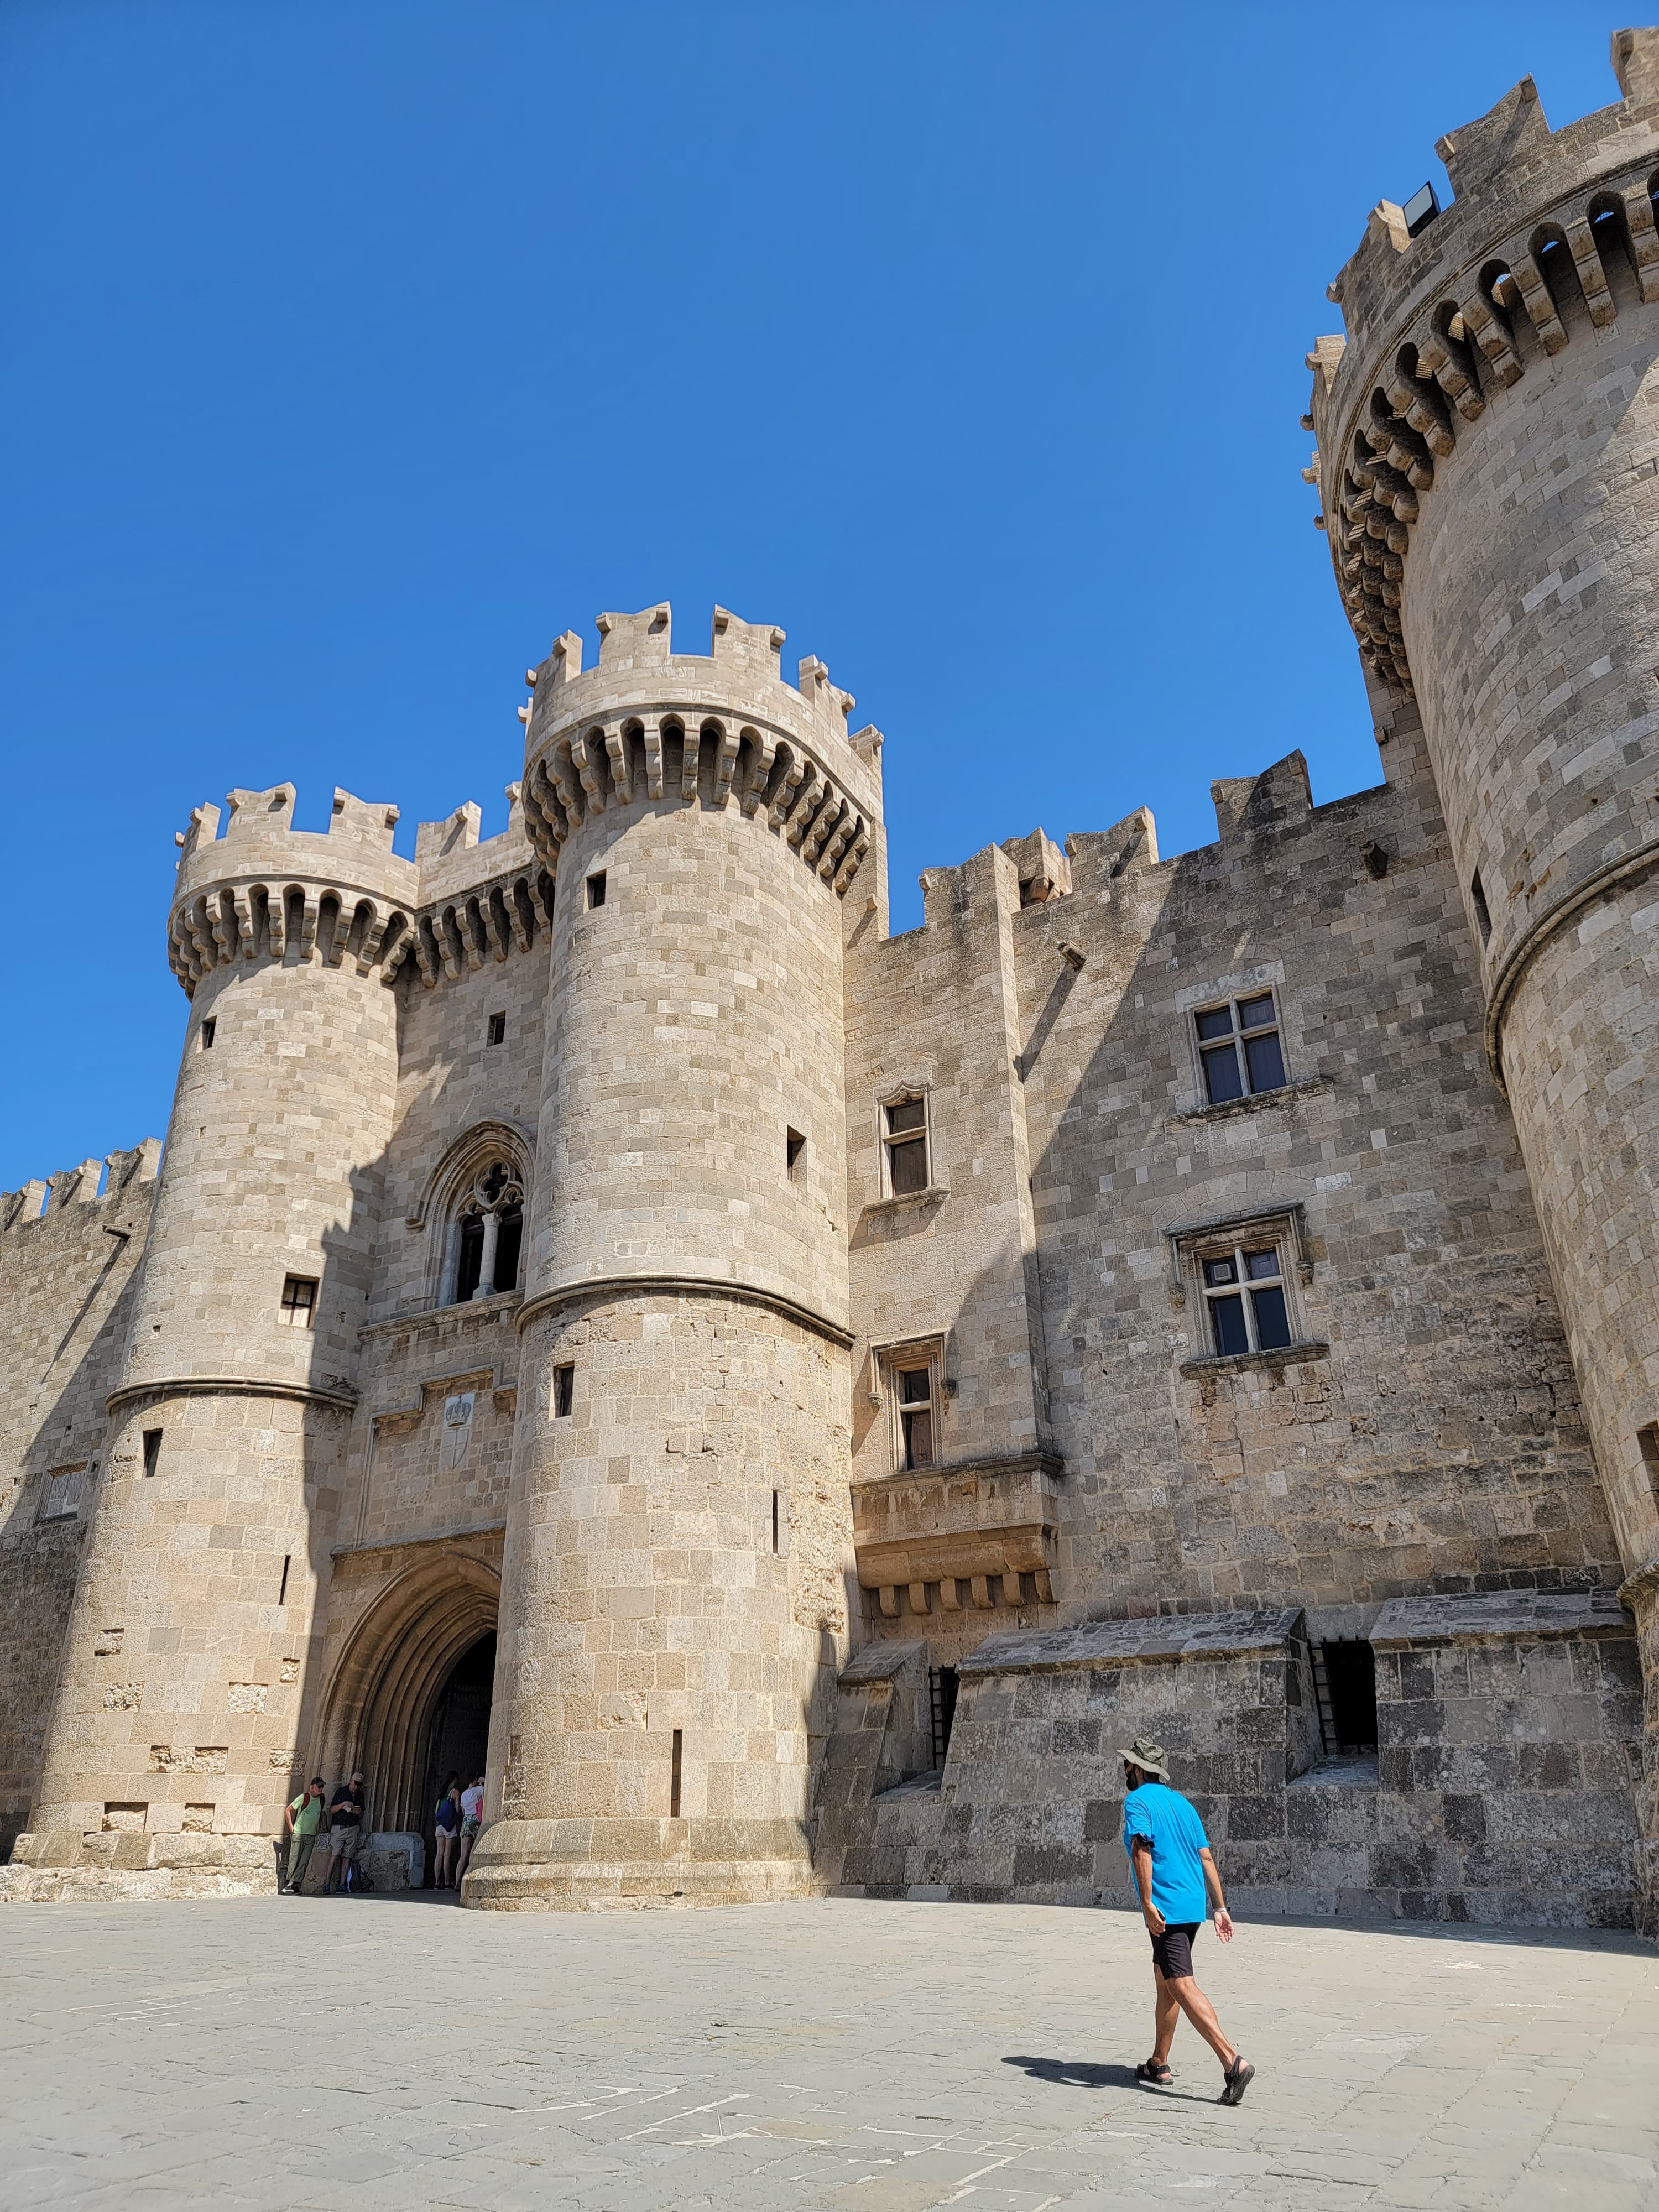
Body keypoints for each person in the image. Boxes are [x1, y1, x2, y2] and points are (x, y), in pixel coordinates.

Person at [1118, 1733, 1254, 2105]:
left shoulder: (1137, 1801)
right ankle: (1159, 2062)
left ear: (1137, 1769)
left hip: (1166, 1908)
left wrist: (1147, 1902)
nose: (1124, 1769)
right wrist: (1220, 1908)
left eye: (1127, 1763)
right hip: (1192, 1907)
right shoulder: (1183, 1805)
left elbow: (1141, 1849)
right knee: (1165, 1980)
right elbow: (1206, 1858)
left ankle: (1232, 2062)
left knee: (1181, 1984)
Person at [324, 1770, 367, 1894]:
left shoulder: (360, 1796)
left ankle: (342, 1884)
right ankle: (327, 1884)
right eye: (355, 1784)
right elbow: (332, 1810)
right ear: (351, 1781)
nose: (356, 1787)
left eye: (359, 1785)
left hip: (353, 1828)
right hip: (339, 1828)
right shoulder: (341, 1792)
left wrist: (358, 1812)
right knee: (335, 1855)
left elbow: (362, 1813)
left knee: (347, 1857)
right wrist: (343, 1804)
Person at [281, 1776, 327, 1895]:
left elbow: (323, 1814)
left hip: (311, 1834)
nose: (321, 1789)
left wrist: (324, 1828)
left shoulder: (321, 1800)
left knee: (304, 1861)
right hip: (299, 1833)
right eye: (319, 1786)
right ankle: (289, 1884)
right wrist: (292, 1828)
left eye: (322, 1787)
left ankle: (293, 1885)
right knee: (295, 1859)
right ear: (312, 1787)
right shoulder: (304, 1797)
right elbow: (288, 1810)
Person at [433, 1775, 462, 1888]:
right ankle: (446, 1882)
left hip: (439, 1825)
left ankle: (436, 1882)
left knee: (439, 1853)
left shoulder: (441, 1794)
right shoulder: (455, 1792)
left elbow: (437, 1812)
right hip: (449, 1826)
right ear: (454, 1781)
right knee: (447, 1854)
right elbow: (457, 1809)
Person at [456, 1772, 484, 1886]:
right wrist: (484, 1781)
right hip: (475, 1820)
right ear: (475, 1781)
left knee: (463, 1855)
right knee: (475, 1852)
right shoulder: (478, 1790)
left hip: (466, 1821)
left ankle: (457, 1882)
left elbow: (462, 1811)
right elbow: (490, 1791)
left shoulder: (463, 1794)